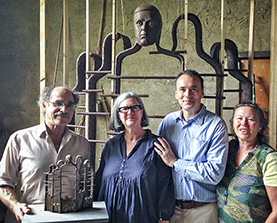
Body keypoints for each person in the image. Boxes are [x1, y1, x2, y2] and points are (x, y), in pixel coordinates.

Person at [0, 86, 90, 223]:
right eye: (58, 103)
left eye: (69, 105)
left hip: (71, 219)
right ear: (44, 105)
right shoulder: (20, 139)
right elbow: (3, 182)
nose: (64, 110)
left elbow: (85, 185)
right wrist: (15, 205)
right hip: (30, 218)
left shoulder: (82, 143)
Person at [154, 70, 229, 223]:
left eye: (193, 89)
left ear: (202, 93)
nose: (187, 94)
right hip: (171, 210)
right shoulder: (167, 122)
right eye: (182, 89)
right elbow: (161, 169)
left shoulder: (215, 125)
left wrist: (175, 163)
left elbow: (214, 173)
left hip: (203, 211)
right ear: (176, 94)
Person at [94, 92, 175, 223]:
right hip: (108, 218)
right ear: (118, 115)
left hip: (142, 218)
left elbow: (165, 185)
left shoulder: (156, 145)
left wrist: (164, 217)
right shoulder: (111, 145)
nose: (130, 112)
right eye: (124, 109)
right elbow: (99, 182)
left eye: (134, 108)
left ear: (141, 112)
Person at [216, 102, 277, 223]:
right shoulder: (227, 150)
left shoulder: (269, 159)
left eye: (250, 119)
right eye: (239, 118)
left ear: (260, 126)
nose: (243, 124)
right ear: (233, 123)